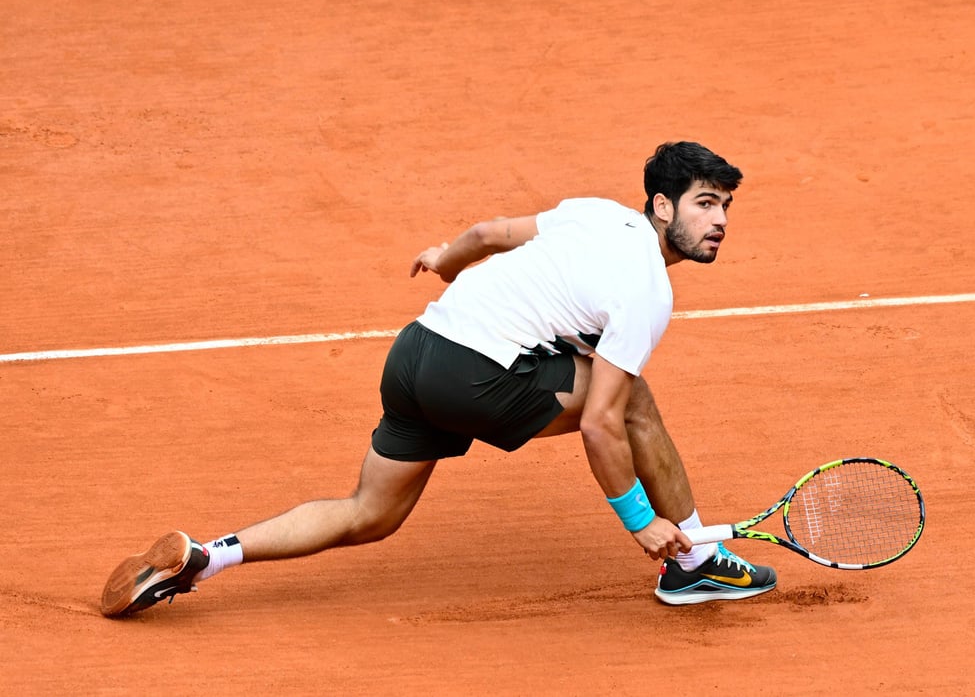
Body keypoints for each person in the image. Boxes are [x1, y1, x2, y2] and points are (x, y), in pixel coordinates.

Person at [100, 141, 777, 617]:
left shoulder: (595, 212)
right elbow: (601, 422)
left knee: (369, 512)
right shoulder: (647, 290)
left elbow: (489, 231)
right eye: (704, 203)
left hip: (416, 353)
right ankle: (694, 565)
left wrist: (446, 260)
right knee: (632, 402)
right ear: (662, 205)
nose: (718, 221)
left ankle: (205, 557)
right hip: (474, 375)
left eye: (725, 208)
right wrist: (640, 521)